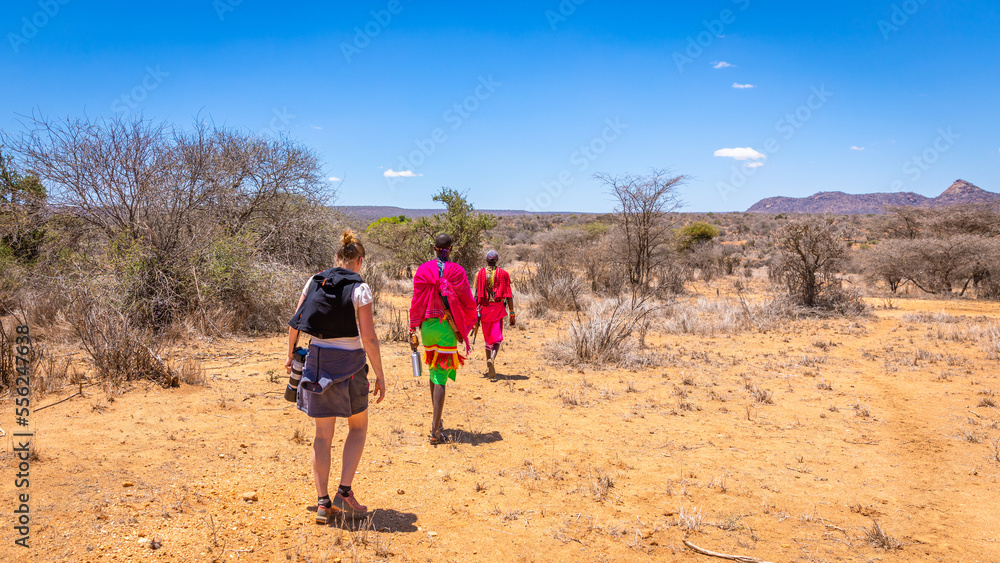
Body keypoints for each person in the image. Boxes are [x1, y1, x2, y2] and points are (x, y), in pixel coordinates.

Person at [286, 230, 386, 524]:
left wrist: (289, 354)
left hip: (318, 365)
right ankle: (344, 492)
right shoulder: (361, 289)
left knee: (322, 435)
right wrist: (380, 375)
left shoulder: (315, 280)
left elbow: (295, 322)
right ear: (360, 261)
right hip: (351, 366)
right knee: (357, 428)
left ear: (336, 258)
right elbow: (368, 338)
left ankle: (321, 503)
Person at [408, 233, 477, 444]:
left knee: (434, 371)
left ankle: (436, 420)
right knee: (440, 377)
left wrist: (413, 327)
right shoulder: (456, 271)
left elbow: (417, 300)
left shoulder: (423, 270)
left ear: (434, 248)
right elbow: (466, 299)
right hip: (446, 326)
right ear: (451, 248)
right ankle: (435, 432)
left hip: (428, 326)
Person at [474, 250, 515, 379]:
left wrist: (474, 313)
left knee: (487, 337)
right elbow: (509, 296)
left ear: (486, 260)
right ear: (496, 260)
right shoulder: (504, 274)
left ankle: (488, 365)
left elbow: (476, 296)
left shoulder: (479, 274)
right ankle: (492, 358)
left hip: (484, 309)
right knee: (497, 337)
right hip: (497, 308)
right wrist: (512, 313)